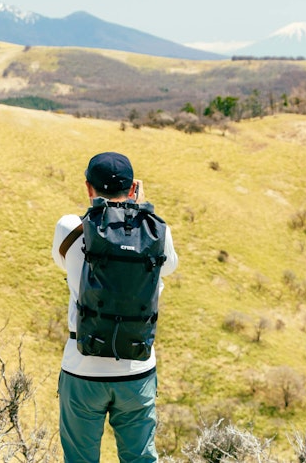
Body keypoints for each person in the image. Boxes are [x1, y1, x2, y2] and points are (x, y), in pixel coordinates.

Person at [52, 152, 179, 463]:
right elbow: (169, 268)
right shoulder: (158, 232)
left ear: (88, 188)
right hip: (136, 368)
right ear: (133, 188)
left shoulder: (70, 227)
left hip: (82, 367)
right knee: (140, 459)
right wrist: (136, 216)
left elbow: (61, 261)